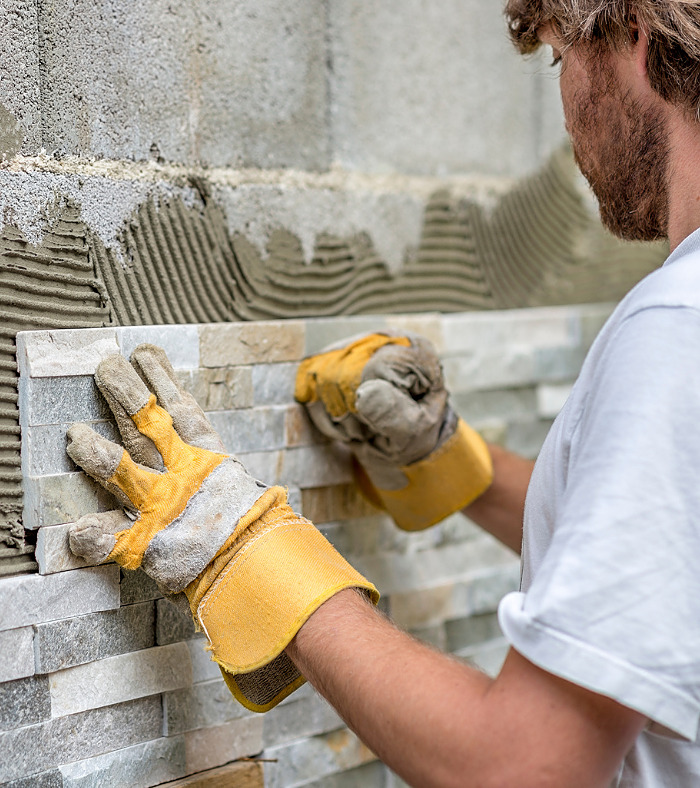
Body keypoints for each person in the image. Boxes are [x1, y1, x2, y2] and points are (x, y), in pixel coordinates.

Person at [65, 1, 700, 785]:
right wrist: (448, 459)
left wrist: (246, 549)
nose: (562, 105)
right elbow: (666, 549)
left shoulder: (677, 326)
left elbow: (518, 768)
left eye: (557, 56)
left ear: (635, 35)